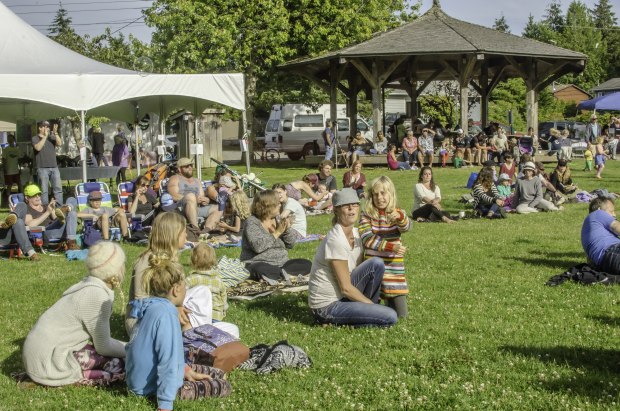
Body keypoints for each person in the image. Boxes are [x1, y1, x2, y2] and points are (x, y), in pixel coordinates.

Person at [126, 254, 231, 411]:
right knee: (223, 385)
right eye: (185, 288)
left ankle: (184, 372)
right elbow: (167, 360)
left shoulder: (149, 306)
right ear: (176, 290)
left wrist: (185, 370)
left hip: (136, 381)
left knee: (218, 373)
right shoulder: (167, 314)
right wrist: (165, 404)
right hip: (151, 388)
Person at [22, 241, 126, 386]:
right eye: (122, 264)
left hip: (38, 356)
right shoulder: (97, 296)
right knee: (122, 364)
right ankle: (81, 376)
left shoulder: (88, 286)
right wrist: (133, 348)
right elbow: (104, 346)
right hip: (49, 364)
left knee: (114, 355)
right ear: (114, 271)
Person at [308, 188, 397, 327]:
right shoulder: (335, 240)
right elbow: (346, 288)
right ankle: (330, 321)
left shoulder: (357, 234)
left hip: (343, 296)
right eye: (345, 205)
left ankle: (367, 313)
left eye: (355, 204)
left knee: (376, 263)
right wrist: (370, 306)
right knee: (390, 316)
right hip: (327, 306)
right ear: (336, 210)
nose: (351, 208)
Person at [358, 177, 411, 318]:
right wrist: (390, 247)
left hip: (394, 273)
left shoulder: (398, 212)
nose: (379, 197)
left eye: (383, 193)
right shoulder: (366, 215)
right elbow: (367, 239)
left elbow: (406, 227)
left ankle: (390, 303)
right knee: (374, 314)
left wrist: (400, 217)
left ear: (391, 194)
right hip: (374, 275)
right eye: (375, 194)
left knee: (402, 316)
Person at [240, 190, 312, 282]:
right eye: (277, 203)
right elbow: (258, 247)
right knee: (259, 269)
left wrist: (286, 231)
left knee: (306, 264)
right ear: (267, 206)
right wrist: (277, 233)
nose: (280, 205)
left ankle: (279, 275)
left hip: (282, 263)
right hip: (258, 263)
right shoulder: (252, 222)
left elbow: (291, 244)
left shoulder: (278, 219)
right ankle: (283, 275)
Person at [15, 184, 80, 250]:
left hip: (58, 226)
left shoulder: (45, 206)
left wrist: (52, 209)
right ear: (27, 198)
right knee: (71, 214)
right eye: (34, 195)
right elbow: (31, 224)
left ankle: (66, 208)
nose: (38, 197)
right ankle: (72, 243)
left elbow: (55, 218)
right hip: (45, 232)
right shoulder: (26, 209)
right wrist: (48, 212)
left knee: (71, 201)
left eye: (39, 194)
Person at [167, 157, 222, 230]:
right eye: (186, 166)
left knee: (220, 207)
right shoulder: (175, 178)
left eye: (191, 165)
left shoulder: (197, 181)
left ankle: (206, 231)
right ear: (179, 169)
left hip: (197, 208)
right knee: (191, 196)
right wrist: (192, 198)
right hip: (181, 208)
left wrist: (206, 200)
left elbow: (201, 196)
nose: (190, 168)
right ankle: (195, 229)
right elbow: (172, 195)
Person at [187, 243, 228, 322]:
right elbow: (223, 297)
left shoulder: (190, 279)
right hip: (216, 316)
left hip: (198, 315)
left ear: (193, 260)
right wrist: (224, 308)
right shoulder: (218, 280)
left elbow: (183, 296)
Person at [581, 197, 620, 275]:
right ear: (599, 208)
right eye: (611, 211)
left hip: (606, 262)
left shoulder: (593, 227)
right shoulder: (598, 213)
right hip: (612, 252)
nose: (614, 215)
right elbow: (618, 227)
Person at [31, 120, 63, 205]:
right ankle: (45, 209)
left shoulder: (51, 137)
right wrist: (45, 137)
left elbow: (59, 143)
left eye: (48, 127)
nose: (47, 128)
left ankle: (59, 209)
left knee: (58, 189)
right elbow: (38, 148)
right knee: (44, 190)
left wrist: (55, 133)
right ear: (40, 128)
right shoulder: (35, 138)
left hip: (54, 167)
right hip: (42, 168)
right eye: (45, 126)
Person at [2, 133, 21, 204]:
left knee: (19, 184)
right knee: (9, 185)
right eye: (8, 139)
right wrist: (5, 168)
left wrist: (20, 169)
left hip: (16, 170)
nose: (9, 140)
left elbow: (19, 160)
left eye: (10, 139)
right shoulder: (5, 149)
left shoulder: (17, 150)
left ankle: (21, 196)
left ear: (13, 140)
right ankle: (8, 199)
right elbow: (3, 159)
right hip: (9, 170)